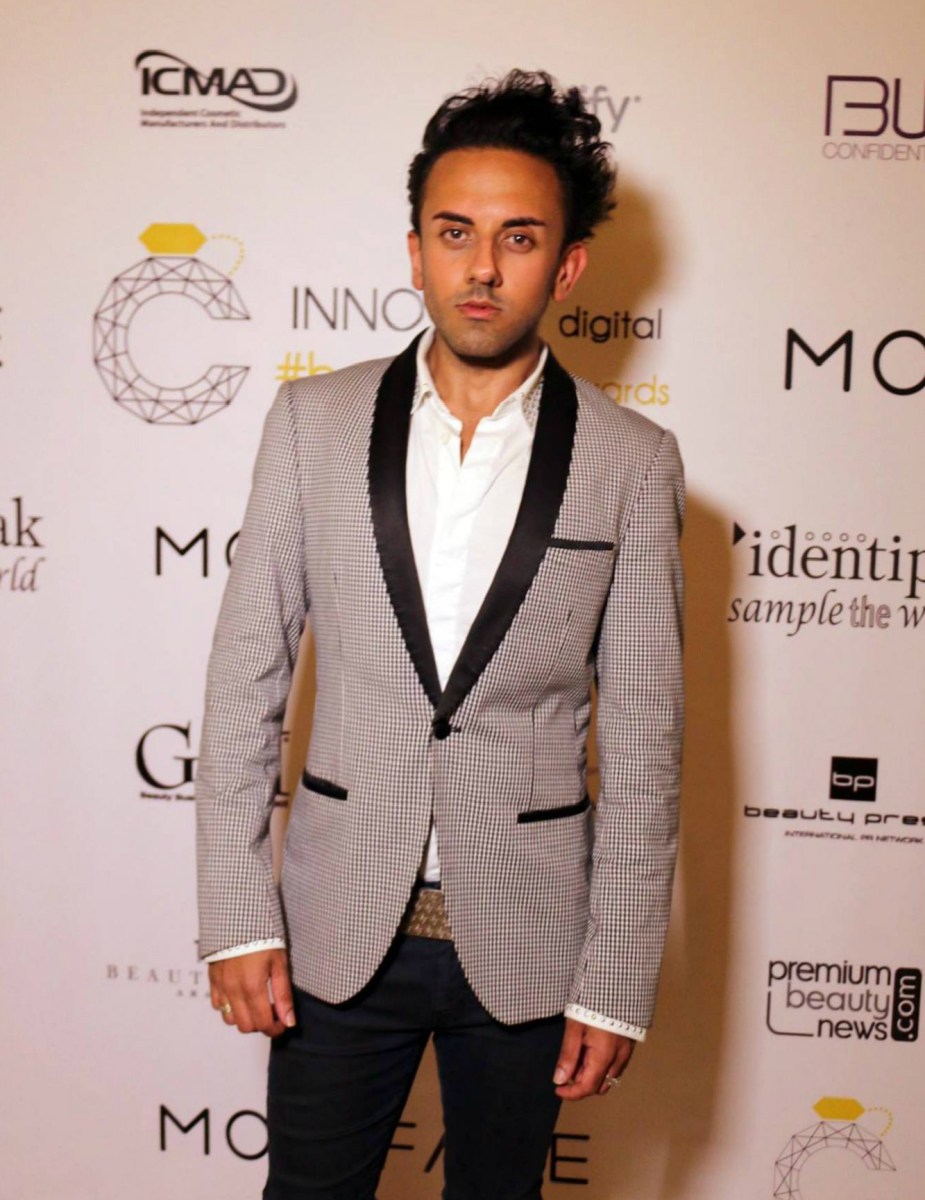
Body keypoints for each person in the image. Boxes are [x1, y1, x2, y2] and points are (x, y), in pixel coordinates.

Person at [196, 69, 684, 1200]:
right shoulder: (311, 423)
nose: (482, 268)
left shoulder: (631, 462)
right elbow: (242, 681)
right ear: (415, 252)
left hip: (530, 943)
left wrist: (615, 980)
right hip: (333, 930)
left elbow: (646, 741)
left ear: (566, 267)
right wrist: (235, 919)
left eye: (519, 238)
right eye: (455, 233)